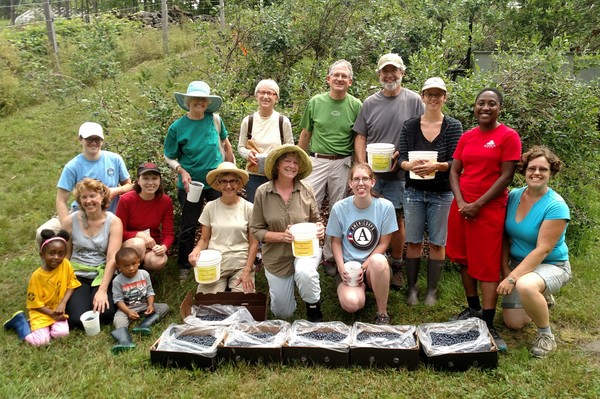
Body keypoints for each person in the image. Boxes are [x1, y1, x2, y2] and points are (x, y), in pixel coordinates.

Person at [446, 87, 522, 351]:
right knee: (464, 258)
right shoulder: (467, 137)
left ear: (500, 108)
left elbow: (506, 176)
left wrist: (478, 204)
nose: (485, 108)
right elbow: (455, 171)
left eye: (491, 104)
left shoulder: (508, 136)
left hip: (488, 209)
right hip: (462, 207)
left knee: (487, 264)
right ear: (475, 107)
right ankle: (473, 308)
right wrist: (463, 202)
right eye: (481, 103)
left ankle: (488, 322)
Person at [354, 53, 425, 290]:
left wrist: (402, 154)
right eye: (385, 71)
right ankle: (367, 264)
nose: (389, 75)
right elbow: (361, 136)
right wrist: (363, 166)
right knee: (367, 217)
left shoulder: (415, 100)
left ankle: (396, 267)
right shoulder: (369, 103)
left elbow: (424, 133)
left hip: (399, 174)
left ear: (402, 73)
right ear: (379, 75)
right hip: (371, 175)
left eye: (394, 70)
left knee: (395, 219)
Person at [499, 146, 571, 358]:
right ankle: (540, 297)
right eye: (532, 168)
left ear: (551, 173)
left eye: (543, 169)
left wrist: (512, 278)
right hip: (518, 263)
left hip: (551, 264)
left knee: (526, 284)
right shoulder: (513, 196)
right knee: (513, 323)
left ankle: (545, 335)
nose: (536, 173)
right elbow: (506, 235)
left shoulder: (556, 206)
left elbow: (543, 249)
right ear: (524, 171)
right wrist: (505, 267)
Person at [398, 77, 463, 306]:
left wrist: (438, 166)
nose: (434, 98)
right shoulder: (410, 125)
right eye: (429, 94)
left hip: (442, 192)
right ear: (423, 97)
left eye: (438, 94)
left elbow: (457, 160)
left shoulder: (453, 126)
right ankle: (413, 289)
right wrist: (409, 166)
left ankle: (432, 291)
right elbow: (402, 158)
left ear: (444, 97)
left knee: (437, 242)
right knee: (413, 240)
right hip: (414, 191)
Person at [164, 81, 235, 282]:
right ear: (187, 101)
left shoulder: (215, 120)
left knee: (221, 221)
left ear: (207, 102)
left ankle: (221, 259)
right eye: (195, 99)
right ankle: (185, 266)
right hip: (190, 185)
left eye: (203, 99)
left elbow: (226, 144)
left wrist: (232, 170)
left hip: (216, 182)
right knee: (189, 224)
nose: (199, 102)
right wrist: (181, 170)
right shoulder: (177, 128)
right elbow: (169, 156)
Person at [298, 60, 362, 275]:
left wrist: (357, 167)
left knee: (338, 209)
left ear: (350, 82)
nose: (340, 79)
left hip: (342, 162)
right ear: (328, 79)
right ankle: (308, 253)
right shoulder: (316, 102)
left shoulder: (356, 105)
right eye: (336, 75)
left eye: (344, 76)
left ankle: (330, 256)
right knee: (309, 206)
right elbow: (306, 133)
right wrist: (298, 161)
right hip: (316, 160)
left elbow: (358, 138)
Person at [250, 145, 325, 322]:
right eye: (288, 161)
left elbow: (316, 220)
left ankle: (313, 309)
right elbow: (256, 230)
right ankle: (290, 288)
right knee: (283, 314)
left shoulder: (306, 189)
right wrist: (281, 236)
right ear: (277, 165)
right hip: (276, 257)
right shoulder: (263, 192)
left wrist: (320, 228)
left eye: (296, 163)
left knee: (305, 272)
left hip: (306, 249)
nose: (292, 166)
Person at [35, 122, 132, 245]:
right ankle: (53, 262)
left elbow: (129, 185)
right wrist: (67, 227)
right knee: (42, 233)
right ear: (80, 139)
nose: (94, 142)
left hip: (110, 216)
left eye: (97, 139)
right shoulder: (72, 166)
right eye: (89, 139)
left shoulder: (115, 159)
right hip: (80, 214)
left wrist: (114, 191)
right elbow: (61, 200)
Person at [326, 163, 397, 325]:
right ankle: (359, 289)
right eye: (356, 179)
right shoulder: (340, 208)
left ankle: (382, 313)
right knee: (352, 304)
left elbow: (384, 243)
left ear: (373, 182)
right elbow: (335, 241)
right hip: (349, 268)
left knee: (379, 260)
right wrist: (341, 267)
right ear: (350, 184)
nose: (361, 183)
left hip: (374, 268)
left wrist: (363, 267)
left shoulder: (385, 207)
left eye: (365, 178)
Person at [188, 162, 258, 294]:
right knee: (206, 303)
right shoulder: (210, 207)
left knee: (243, 303)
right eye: (224, 182)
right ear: (218, 184)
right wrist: (196, 250)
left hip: (241, 262)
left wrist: (247, 270)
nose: (228, 186)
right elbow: (204, 238)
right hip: (215, 263)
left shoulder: (249, 208)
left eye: (232, 181)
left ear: (238, 183)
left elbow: (254, 243)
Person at [63, 178, 123, 328]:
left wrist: (102, 290)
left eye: (92, 196)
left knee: (106, 314)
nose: (88, 201)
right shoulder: (70, 221)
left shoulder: (114, 222)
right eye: (84, 197)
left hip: (102, 273)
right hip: (77, 274)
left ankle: (97, 295)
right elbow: (66, 255)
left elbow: (112, 259)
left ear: (102, 197)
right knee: (76, 320)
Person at [4, 229, 81, 345]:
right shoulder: (37, 277)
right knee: (41, 342)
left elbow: (72, 284)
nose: (56, 257)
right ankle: (20, 322)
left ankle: (44, 329)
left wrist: (63, 303)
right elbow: (34, 304)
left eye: (61, 254)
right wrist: (51, 314)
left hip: (58, 311)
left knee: (62, 334)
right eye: (51, 253)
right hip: (42, 312)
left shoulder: (66, 265)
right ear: (42, 255)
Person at [237, 79, 294, 202]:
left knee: (276, 210)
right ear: (256, 96)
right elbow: (240, 147)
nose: (266, 96)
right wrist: (248, 155)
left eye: (270, 93)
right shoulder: (248, 121)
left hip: (277, 174)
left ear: (276, 98)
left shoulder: (282, 121)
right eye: (262, 92)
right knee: (255, 210)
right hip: (254, 175)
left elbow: (291, 149)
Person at [115, 162, 174, 272]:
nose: (150, 183)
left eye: (154, 178)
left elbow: (169, 233)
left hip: (152, 245)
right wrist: (139, 235)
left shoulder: (165, 201)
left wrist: (164, 247)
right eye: (145, 178)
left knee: (159, 261)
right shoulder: (126, 200)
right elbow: (118, 231)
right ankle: (131, 275)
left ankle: (143, 274)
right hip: (130, 245)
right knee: (138, 243)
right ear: (138, 180)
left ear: (159, 180)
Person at [112, 247, 170, 332]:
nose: (131, 268)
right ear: (119, 267)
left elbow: (150, 292)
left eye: (133, 264)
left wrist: (150, 305)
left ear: (138, 262)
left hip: (144, 305)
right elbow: (118, 300)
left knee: (164, 307)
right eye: (126, 266)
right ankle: (124, 337)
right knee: (118, 319)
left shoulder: (144, 274)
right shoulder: (117, 280)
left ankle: (144, 325)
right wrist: (128, 312)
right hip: (127, 309)